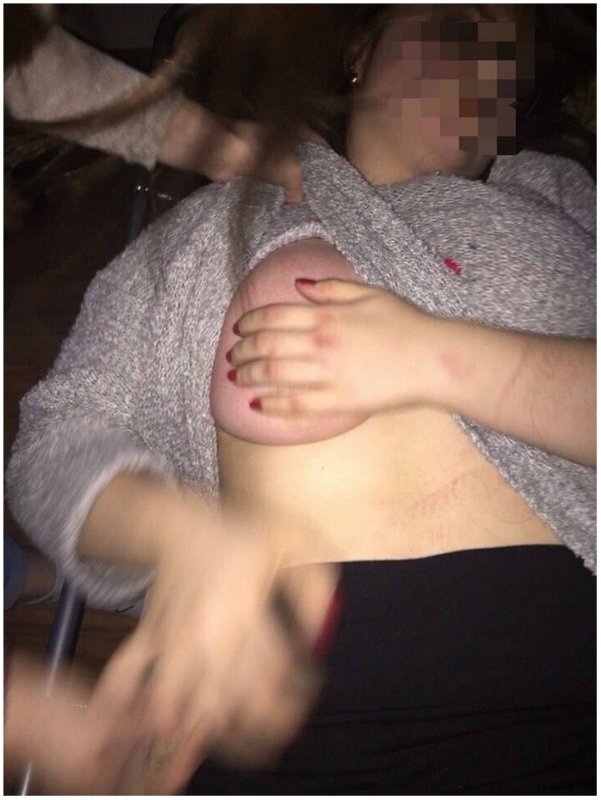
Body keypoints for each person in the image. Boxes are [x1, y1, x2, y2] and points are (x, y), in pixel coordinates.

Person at [6, 3, 595, 794]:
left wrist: (437, 357)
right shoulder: (215, 223)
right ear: (360, 50)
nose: (486, 72)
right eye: (458, 26)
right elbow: (55, 436)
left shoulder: (558, 198)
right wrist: (180, 533)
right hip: (277, 721)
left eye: (509, 69)